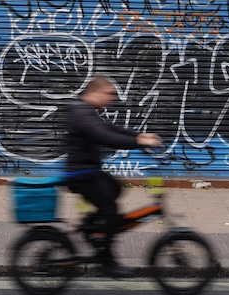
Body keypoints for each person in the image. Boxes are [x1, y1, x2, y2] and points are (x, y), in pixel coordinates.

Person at [61, 76, 161, 278]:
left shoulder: (87, 111)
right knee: (111, 209)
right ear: (95, 92)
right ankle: (106, 261)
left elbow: (110, 129)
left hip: (87, 170)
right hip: (81, 174)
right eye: (109, 94)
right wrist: (140, 143)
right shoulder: (82, 113)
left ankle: (92, 226)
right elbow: (105, 136)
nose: (111, 99)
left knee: (115, 188)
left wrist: (139, 136)